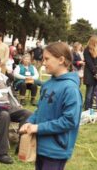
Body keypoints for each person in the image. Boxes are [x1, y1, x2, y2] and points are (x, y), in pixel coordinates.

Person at [19, 42, 82, 170]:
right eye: (43, 59)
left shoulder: (71, 89)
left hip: (56, 150)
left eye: (47, 59)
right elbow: (40, 110)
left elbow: (70, 121)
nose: (43, 62)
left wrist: (38, 128)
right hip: (40, 145)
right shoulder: (47, 85)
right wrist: (30, 122)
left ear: (61, 60)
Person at [83, 36, 97, 110]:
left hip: (95, 74)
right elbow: (89, 63)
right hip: (89, 74)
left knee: (93, 92)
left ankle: (90, 107)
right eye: (96, 42)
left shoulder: (96, 50)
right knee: (89, 93)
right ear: (93, 42)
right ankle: (87, 108)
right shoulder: (87, 50)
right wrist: (95, 72)